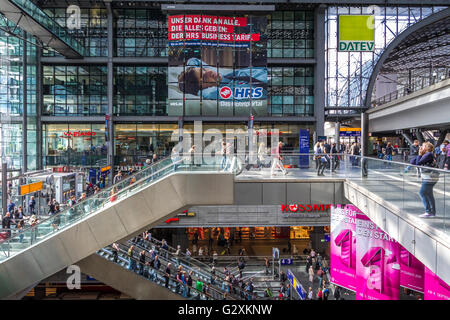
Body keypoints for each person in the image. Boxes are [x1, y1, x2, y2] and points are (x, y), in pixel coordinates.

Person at [177, 57, 267, 100]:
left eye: (203, 69)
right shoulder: (224, 91)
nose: (209, 72)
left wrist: (188, 72)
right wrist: (198, 91)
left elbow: (193, 61)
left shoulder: (218, 76)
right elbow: (209, 93)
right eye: (204, 76)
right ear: (203, 87)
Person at [414, 142, 439, 218]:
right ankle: (432, 212)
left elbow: (417, 163)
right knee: (429, 194)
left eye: (423, 146)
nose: (421, 147)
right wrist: (419, 154)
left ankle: (428, 211)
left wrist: (420, 154)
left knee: (422, 193)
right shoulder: (427, 155)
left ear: (427, 148)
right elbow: (413, 161)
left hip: (429, 177)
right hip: (428, 176)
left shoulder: (428, 154)